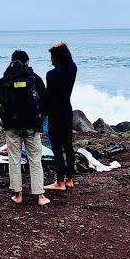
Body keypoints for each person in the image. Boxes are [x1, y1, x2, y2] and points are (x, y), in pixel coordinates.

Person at [0, 50, 50, 206]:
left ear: (12, 61)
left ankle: (17, 194)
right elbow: (45, 100)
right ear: (27, 62)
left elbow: (1, 99)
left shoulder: (4, 80)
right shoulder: (34, 79)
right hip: (32, 125)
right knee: (35, 159)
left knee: (14, 159)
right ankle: (40, 196)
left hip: (12, 125)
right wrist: (40, 116)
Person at [44, 42, 78, 191]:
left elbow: (49, 96)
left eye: (52, 56)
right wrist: (64, 47)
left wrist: (41, 112)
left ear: (56, 58)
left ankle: (59, 182)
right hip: (67, 110)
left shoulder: (51, 75)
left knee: (57, 148)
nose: (50, 59)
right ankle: (69, 178)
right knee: (68, 145)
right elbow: (70, 60)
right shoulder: (72, 69)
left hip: (55, 113)